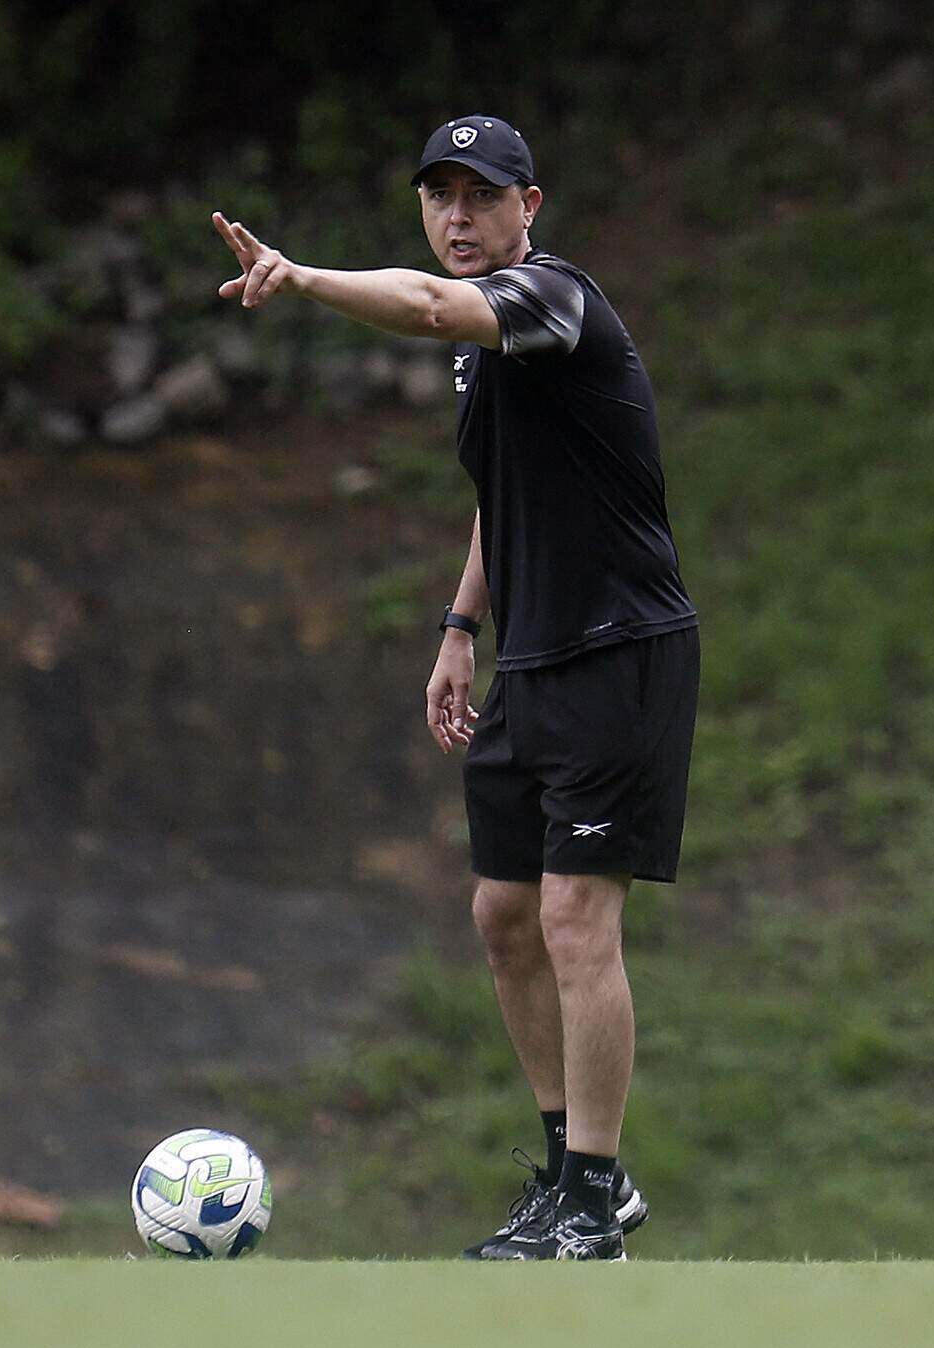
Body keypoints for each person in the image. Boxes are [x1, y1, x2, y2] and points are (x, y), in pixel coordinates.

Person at [212, 115, 698, 1261]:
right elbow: (501, 492)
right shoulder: (490, 356)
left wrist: (301, 277)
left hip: (618, 649)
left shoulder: (553, 300)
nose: (458, 218)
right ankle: (569, 1174)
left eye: (480, 196)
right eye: (439, 197)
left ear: (529, 206)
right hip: (529, 655)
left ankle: (592, 1197)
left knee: (578, 916)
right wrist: (456, 626)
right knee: (501, 914)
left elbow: (428, 305)